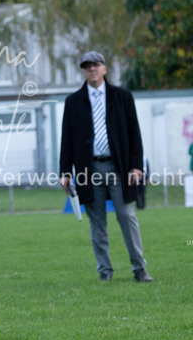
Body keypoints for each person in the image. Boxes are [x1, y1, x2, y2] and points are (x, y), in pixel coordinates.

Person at [59, 50, 152, 283]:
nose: (92, 69)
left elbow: (134, 134)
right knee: (97, 222)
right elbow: (67, 139)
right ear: (83, 70)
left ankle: (139, 268)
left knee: (126, 216)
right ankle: (105, 271)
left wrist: (136, 166)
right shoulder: (72, 102)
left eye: (96, 64)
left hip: (118, 167)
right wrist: (65, 173)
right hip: (88, 170)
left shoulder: (123, 96)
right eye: (87, 65)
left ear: (104, 68)